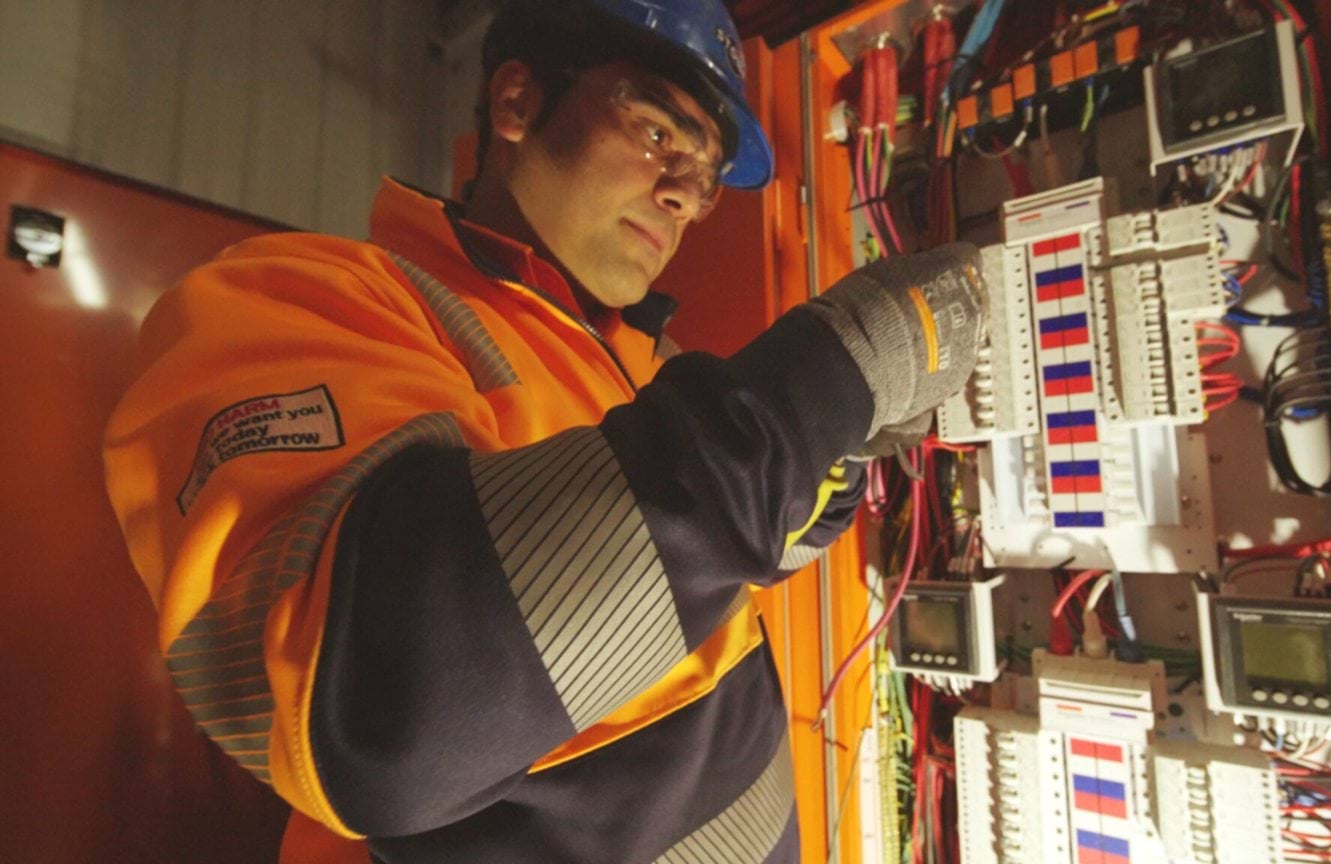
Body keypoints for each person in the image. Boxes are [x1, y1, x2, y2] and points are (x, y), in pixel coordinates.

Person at [103, 0, 985, 861]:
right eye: (658, 132)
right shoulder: (299, 301)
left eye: (707, 176)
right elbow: (382, 712)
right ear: (518, 102)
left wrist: (829, 462)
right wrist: (827, 378)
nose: (683, 194)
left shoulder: (632, 359)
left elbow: (692, 574)